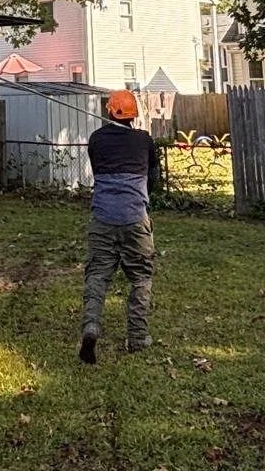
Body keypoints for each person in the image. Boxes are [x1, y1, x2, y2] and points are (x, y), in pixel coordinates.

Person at [80, 89, 161, 363]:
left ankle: (91, 327)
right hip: (135, 218)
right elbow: (153, 175)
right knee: (140, 277)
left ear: (109, 110)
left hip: (102, 217)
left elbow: (96, 169)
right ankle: (137, 337)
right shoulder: (144, 140)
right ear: (133, 114)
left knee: (98, 275)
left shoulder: (96, 139)